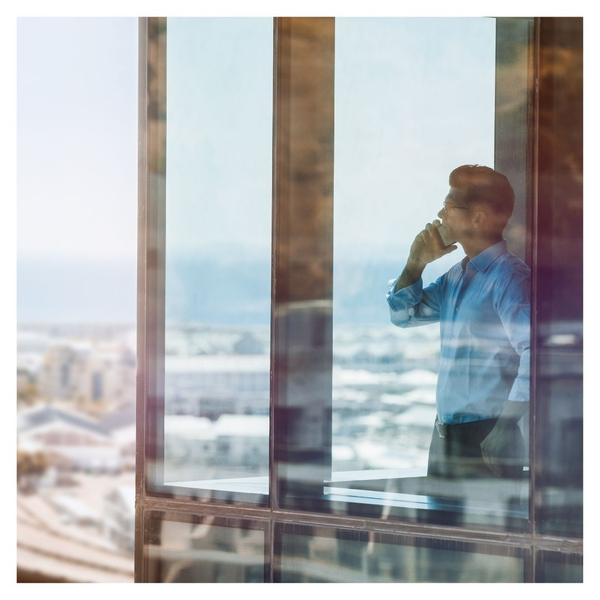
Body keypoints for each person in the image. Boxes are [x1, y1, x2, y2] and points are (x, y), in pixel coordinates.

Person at [387, 165, 530, 480]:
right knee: (440, 530)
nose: (440, 214)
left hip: (488, 438)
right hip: (445, 439)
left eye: (449, 206)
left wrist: (506, 425)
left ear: (477, 217)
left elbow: (538, 352)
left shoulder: (509, 278)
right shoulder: (456, 277)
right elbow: (403, 316)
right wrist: (415, 263)